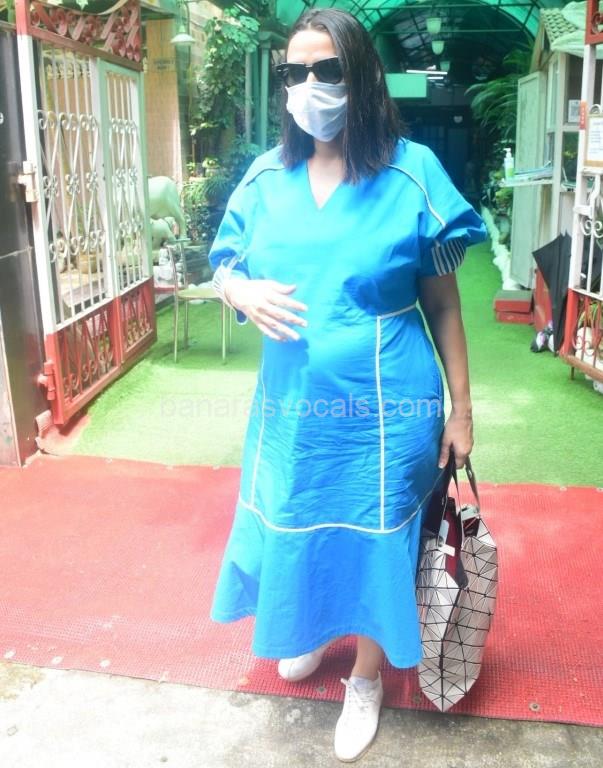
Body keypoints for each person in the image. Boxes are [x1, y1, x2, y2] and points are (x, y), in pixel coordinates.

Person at [209, 8, 487, 762]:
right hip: (291, 407)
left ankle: (365, 676)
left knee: (375, 530)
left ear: (360, 75)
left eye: (326, 70)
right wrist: (238, 292)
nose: (309, 85)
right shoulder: (266, 176)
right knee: (298, 514)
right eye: (294, 71)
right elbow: (225, 262)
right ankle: (311, 630)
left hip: (387, 408)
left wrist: (462, 411)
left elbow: (443, 305)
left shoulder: (410, 174)